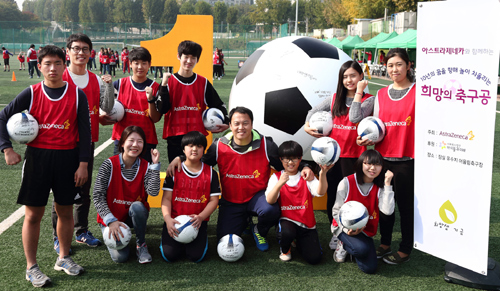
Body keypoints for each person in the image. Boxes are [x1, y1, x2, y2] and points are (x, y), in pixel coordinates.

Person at [0, 45, 90, 287]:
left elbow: (85, 131)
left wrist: (83, 164)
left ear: (64, 65)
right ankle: (31, 267)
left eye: (57, 63)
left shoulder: (77, 94)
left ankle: (63, 257)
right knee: (33, 214)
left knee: (65, 210)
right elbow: (2, 117)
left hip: (67, 160)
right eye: (47, 64)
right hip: (37, 160)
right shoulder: (30, 92)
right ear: (39, 66)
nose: (53, 68)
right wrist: (6, 148)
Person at [167, 106, 314, 252]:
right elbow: (202, 161)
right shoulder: (219, 145)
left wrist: (305, 166)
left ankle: (259, 230)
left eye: (245, 123)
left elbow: (284, 163)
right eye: (236, 123)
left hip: (258, 198)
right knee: (223, 240)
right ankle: (245, 222)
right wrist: (180, 158)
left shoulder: (265, 145)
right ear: (230, 125)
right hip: (231, 201)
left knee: (271, 209)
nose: (241, 127)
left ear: (251, 124)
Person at [50, 33, 115, 254]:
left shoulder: (95, 79)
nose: (80, 52)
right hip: (61, 143)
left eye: (85, 49)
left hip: (86, 144)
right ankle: (58, 236)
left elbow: (106, 108)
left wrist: (108, 87)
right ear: (67, 51)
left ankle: (80, 231)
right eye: (76, 48)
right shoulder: (60, 77)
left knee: (83, 190)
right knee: (61, 191)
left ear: (90, 53)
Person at [352, 48, 415, 265]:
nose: (394, 69)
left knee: (406, 207)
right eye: (390, 65)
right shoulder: (380, 94)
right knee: (385, 205)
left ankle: (406, 248)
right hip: (383, 160)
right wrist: (366, 139)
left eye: (398, 64)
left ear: (408, 66)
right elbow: (369, 124)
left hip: (408, 160)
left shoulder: (419, 92)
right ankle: (385, 243)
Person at [304, 60, 373, 250]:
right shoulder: (335, 99)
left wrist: (359, 92)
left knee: (352, 197)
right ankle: (337, 232)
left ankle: (353, 231)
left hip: (355, 158)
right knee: (333, 196)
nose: (349, 80)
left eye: (353, 75)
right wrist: (307, 127)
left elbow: (355, 118)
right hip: (333, 157)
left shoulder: (369, 99)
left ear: (361, 76)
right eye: (345, 77)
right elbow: (312, 111)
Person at [93, 125, 161, 264]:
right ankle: (114, 232)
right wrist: (110, 221)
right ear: (122, 143)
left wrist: (155, 166)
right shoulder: (109, 165)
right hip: (112, 218)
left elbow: (153, 192)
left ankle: (141, 244)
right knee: (120, 258)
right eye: (131, 140)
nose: (135, 145)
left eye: (140, 141)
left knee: (137, 207)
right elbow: (97, 196)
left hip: (132, 215)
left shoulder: (146, 166)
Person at [154, 40, 229, 163]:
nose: (189, 61)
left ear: (197, 60)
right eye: (186, 57)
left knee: (195, 174)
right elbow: (162, 109)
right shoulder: (168, 82)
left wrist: (225, 121)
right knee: (176, 175)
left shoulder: (203, 83)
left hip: (197, 138)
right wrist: (163, 86)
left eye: (193, 58)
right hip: (175, 136)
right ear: (179, 56)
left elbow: (219, 105)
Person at [265, 141, 332, 264]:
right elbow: (270, 200)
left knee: (314, 259)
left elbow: (321, 192)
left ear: (300, 158)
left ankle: (298, 241)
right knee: (286, 233)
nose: (290, 162)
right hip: (287, 222)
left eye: (294, 159)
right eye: (286, 159)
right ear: (281, 159)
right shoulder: (276, 177)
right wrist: (280, 184)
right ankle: (285, 249)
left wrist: (323, 174)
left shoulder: (306, 176)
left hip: (306, 224)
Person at [160, 131, 220, 262]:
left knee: (196, 257)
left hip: (197, 222)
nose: (194, 149)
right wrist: (168, 219)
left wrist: (201, 217)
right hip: (175, 221)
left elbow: (213, 200)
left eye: (199, 146)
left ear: (204, 149)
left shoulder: (211, 173)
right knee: (169, 255)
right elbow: (166, 199)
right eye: (190, 145)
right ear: (183, 149)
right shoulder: (173, 171)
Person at [331, 149, 394, 274]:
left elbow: (387, 211)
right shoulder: (346, 182)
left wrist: (387, 184)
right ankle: (342, 243)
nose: (372, 168)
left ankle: (357, 245)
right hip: (343, 227)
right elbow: (336, 210)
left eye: (377, 164)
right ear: (361, 164)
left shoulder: (380, 187)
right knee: (361, 250)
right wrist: (346, 230)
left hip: (365, 230)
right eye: (368, 163)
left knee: (370, 269)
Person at [101, 47, 160, 164]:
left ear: (149, 65)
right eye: (136, 63)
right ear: (130, 64)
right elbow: (105, 107)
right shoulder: (119, 84)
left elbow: (156, 118)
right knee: (119, 176)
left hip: (146, 140)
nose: (140, 67)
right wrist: (101, 116)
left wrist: (151, 100)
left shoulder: (156, 87)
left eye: (144, 63)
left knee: (144, 178)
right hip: (122, 139)